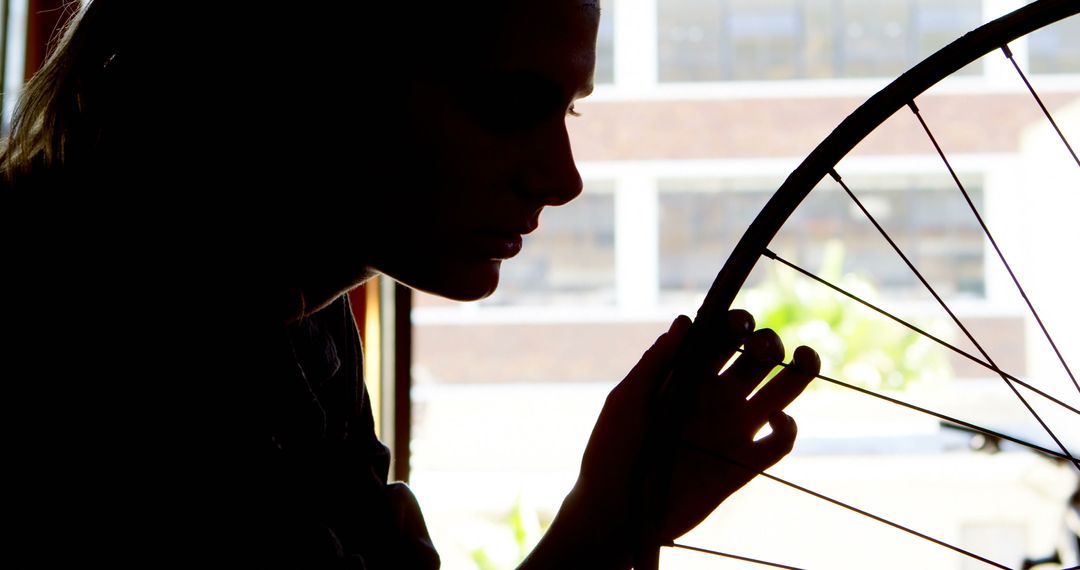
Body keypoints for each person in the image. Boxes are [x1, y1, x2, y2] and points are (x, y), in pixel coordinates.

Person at [2, 1, 820, 568]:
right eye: (508, 106)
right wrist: (603, 524)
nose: (561, 180)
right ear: (317, 74)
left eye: (565, 112)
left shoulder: (296, 326)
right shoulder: (115, 368)